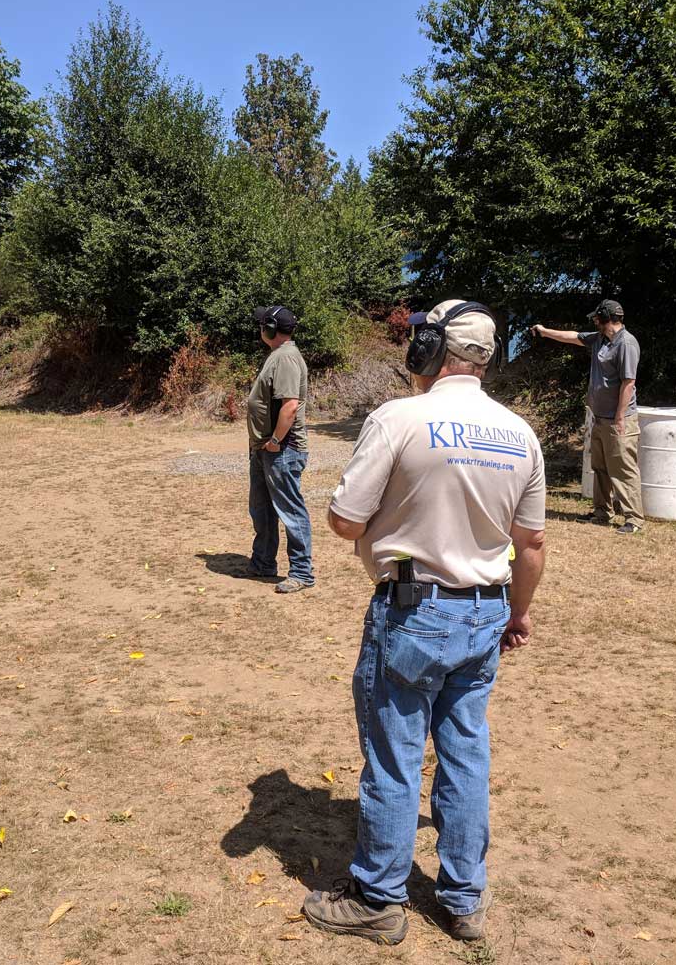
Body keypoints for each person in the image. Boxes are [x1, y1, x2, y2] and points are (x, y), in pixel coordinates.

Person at [303, 299, 547, 945]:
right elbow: (532, 543)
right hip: (487, 610)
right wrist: (518, 613)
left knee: (395, 755)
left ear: (432, 350)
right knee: (466, 753)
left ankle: (378, 898)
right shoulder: (520, 435)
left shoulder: (399, 419)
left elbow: (344, 521)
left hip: (413, 611)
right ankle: (464, 899)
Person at [532, 299, 644, 533]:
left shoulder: (626, 343)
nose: (594, 320)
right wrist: (544, 331)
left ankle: (634, 520)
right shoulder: (599, 339)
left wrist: (620, 417)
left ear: (606, 317)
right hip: (600, 417)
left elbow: (628, 382)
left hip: (619, 420)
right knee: (600, 468)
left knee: (623, 469)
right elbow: (572, 337)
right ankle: (602, 512)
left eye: (597, 317)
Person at [245, 305, 314, 593]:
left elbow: (290, 406)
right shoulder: (278, 355)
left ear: (271, 328)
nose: (260, 329)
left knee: (290, 510)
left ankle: (302, 572)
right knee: (261, 509)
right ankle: (263, 562)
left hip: (282, 448)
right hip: (267, 448)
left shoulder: (285, 358)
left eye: (263, 324)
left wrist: (274, 441)